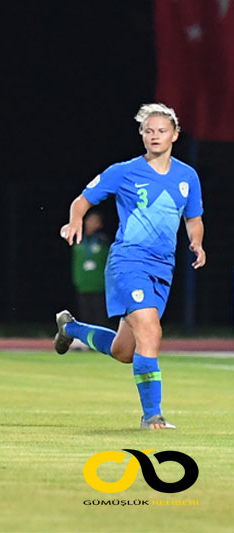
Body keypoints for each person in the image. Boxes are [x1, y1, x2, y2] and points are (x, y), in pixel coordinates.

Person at [54, 103, 205, 430]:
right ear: (141, 135)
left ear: (174, 135)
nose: (154, 136)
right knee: (150, 331)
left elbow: (194, 218)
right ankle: (153, 414)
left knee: (125, 351)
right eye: (148, 130)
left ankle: (71, 329)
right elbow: (82, 201)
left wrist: (197, 241)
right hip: (128, 261)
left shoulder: (187, 176)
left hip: (163, 268)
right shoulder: (123, 171)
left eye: (161, 130)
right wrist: (74, 222)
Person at [71, 210, 110, 328]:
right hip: (83, 284)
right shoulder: (78, 240)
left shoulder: (103, 241)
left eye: (95, 221)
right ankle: (85, 342)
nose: (92, 223)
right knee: (85, 316)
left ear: (100, 224)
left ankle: (102, 343)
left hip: (100, 285)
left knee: (100, 316)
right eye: (90, 220)